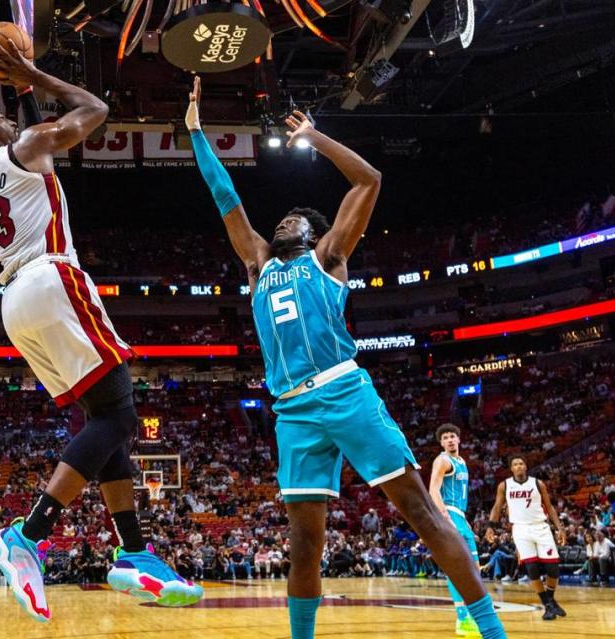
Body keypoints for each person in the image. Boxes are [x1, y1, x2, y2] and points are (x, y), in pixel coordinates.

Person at [186, 76, 506, 639]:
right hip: (291, 410)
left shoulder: (329, 256)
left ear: (313, 233)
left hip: (344, 390)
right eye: (281, 219)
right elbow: (224, 197)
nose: (283, 221)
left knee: (419, 511)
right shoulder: (259, 263)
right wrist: (195, 134)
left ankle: (488, 627)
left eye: (295, 219)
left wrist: (316, 136)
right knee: (304, 539)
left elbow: (370, 178)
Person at [0, 37, 202, 621]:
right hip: (51, 280)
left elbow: (40, 141)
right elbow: (94, 111)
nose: (5, 117)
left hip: (15, 302)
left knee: (104, 421)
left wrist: (26, 92)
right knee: (118, 417)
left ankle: (135, 552)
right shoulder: (23, 148)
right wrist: (36, 74)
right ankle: (29, 536)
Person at [488, 455, 567, 620]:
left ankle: (550, 600)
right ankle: (548, 605)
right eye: (515, 464)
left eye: (521, 463)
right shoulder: (505, 485)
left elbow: (550, 507)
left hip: (541, 526)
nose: (518, 466)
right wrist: (491, 527)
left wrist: (560, 528)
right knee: (532, 569)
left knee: (553, 569)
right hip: (521, 530)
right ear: (511, 468)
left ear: (526, 466)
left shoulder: (538, 483)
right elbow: (497, 506)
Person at [428, 424, 482, 637]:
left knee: (474, 569)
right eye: (445, 438)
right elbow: (433, 489)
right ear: (441, 443)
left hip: (460, 516)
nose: (450, 440)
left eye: (453, 436)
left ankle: (466, 615)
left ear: (459, 439)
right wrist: (445, 517)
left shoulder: (462, 462)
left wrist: (463, 518)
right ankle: (462, 618)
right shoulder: (442, 460)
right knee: (460, 568)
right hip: (450, 515)